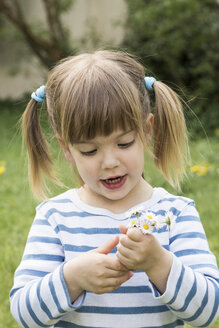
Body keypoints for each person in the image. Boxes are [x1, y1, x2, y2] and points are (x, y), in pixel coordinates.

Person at [10, 50, 218, 328]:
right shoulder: (55, 217)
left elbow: (209, 312)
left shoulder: (174, 215)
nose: (109, 162)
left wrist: (158, 264)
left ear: (146, 130)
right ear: (67, 149)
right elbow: (24, 314)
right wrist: (71, 279)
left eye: (124, 144)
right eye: (89, 150)